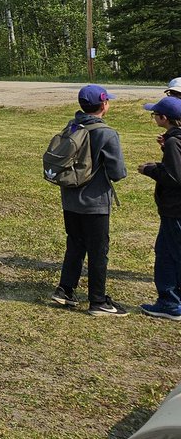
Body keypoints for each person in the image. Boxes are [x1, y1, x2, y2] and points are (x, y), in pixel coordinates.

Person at [51, 85, 128, 316]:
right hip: (95, 202)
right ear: (104, 105)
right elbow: (118, 172)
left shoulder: (72, 125)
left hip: (70, 199)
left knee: (75, 243)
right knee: (98, 250)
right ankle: (97, 301)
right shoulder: (107, 133)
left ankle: (65, 289)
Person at [138, 97, 181, 320]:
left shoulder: (175, 142)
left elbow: (174, 177)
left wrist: (150, 170)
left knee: (167, 255)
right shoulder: (174, 140)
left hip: (175, 209)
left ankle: (169, 303)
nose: (154, 117)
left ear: (165, 118)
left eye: (155, 115)